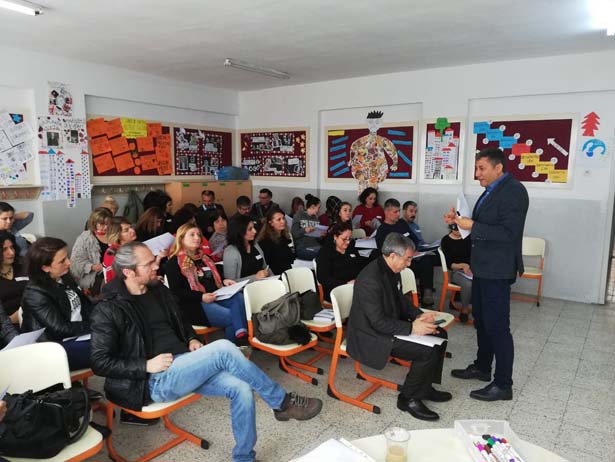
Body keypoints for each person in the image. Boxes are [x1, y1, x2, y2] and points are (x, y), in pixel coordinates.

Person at [90, 242, 322, 462]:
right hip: (153, 380)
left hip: (184, 364)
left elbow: (181, 322)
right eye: (148, 264)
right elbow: (100, 362)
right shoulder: (109, 309)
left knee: (241, 388)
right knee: (223, 348)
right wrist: (145, 365)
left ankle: (244, 457)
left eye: (154, 260)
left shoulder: (158, 290)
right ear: (128, 272)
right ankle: (282, 402)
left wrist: (192, 338)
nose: (156, 266)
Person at [446, 147, 529, 402]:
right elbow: (485, 226)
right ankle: (482, 368)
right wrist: (459, 222)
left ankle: (503, 384)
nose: (477, 173)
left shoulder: (514, 191)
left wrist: (473, 225)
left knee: (497, 326)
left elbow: (508, 233)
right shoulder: (491, 191)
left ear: (498, 167)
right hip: (482, 268)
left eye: (482, 168)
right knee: (481, 321)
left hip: (497, 270)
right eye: (476, 168)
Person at [346, 233, 450, 421]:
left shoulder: (388, 269)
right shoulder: (370, 279)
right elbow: (377, 322)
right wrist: (412, 328)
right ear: (393, 256)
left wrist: (419, 315)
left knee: (440, 334)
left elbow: (400, 300)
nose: (409, 264)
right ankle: (408, 398)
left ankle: (424, 388)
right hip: (370, 335)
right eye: (407, 259)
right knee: (426, 351)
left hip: (386, 324)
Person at [166, 223, 248, 344]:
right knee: (233, 317)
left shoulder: (205, 258)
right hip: (195, 304)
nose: (197, 238)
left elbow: (213, 277)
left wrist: (224, 280)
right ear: (181, 239)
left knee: (239, 298)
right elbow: (176, 291)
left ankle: (239, 335)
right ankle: (236, 343)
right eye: (192, 235)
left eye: (199, 235)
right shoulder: (174, 263)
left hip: (215, 295)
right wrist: (201, 297)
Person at [22, 237, 93, 371]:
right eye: (62, 261)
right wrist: (96, 325)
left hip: (79, 335)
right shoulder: (35, 293)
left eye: (67, 257)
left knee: (119, 336)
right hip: (53, 347)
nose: (69, 262)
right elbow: (60, 328)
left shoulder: (64, 277)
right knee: (111, 345)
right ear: (45, 267)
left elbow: (86, 306)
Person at [375, 199, 436, 306]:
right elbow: (385, 252)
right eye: (395, 212)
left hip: (411, 258)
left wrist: (414, 251)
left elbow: (415, 239)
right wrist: (405, 255)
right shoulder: (382, 230)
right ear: (386, 212)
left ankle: (427, 293)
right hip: (398, 263)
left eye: (399, 211)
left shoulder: (402, 223)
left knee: (427, 260)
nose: (398, 214)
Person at [315, 223, 368, 301]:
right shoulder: (325, 253)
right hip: (336, 290)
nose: (348, 242)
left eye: (349, 239)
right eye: (344, 239)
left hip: (355, 286)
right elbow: (323, 278)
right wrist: (346, 284)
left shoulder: (351, 248)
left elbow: (360, 265)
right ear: (335, 237)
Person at [71, 207, 112, 294]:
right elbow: (76, 263)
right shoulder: (85, 238)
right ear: (94, 223)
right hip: (95, 277)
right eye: (102, 224)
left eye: (108, 224)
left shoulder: (114, 235)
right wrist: (93, 267)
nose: (106, 227)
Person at [440, 224, 473, 322]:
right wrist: (462, 265)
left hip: (471, 270)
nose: (459, 232)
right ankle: (464, 309)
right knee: (468, 284)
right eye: (457, 229)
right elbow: (449, 263)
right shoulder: (446, 240)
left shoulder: (468, 238)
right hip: (457, 271)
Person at [223, 215, 270, 282]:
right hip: (247, 287)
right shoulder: (230, 252)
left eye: (253, 227)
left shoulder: (255, 244)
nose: (255, 231)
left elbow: (265, 268)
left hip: (265, 283)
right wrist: (255, 277)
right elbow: (231, 283)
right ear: (239, 231)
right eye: (250, 229)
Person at [257, 208, 295, 275]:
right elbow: (269, 263)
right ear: (271, 223)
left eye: (283, 218)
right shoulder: (265, 241)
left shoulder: (285, 237)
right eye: (278, 219)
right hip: (276, 274)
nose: (283, 221)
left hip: (289, 270)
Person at [0, 231, 28, 322]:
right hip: (9, 325)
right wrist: (11, 320)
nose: (11, 253)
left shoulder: (23, 267)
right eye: (4, 249)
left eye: (12, 247)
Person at [102, 217, 138, 283]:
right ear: (117, 235)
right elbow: (119, 282)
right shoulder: (112, 254)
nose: (132, 230)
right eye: (126, 230)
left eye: (131, 227)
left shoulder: (131, 246)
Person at [291, 194, 325, 260]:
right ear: (312, 206)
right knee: (322, 255)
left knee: (328, 252)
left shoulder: (316, 219)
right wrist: (305, 230)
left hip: (316, 246)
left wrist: (321, 236)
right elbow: (294, 234)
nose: (318, 210)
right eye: (318, 207)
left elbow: (317, 239)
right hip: (303, 247)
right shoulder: (299, 216)